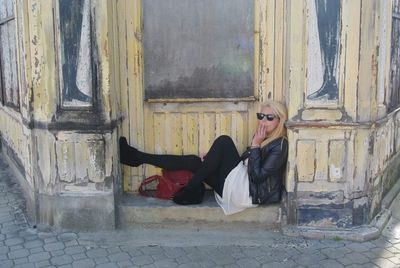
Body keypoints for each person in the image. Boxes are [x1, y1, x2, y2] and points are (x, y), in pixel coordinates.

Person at [119, 100, 288, 215]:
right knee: (195, 161)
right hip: (238, 185)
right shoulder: (265, 137)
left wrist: (256, 145)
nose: (263, 121)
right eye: (261, 116)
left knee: (224, 141)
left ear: (279, 121)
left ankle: (189, 189)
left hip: (247, 193)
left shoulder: (280, 145)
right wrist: (214, 159)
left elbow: (257, 177)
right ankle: (135, 157)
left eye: (269, 117)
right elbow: (248, 162)